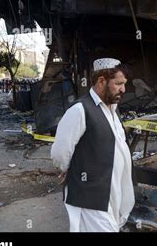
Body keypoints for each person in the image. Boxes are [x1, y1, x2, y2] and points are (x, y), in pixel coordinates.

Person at [51, 58, 134, 232]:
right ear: (101, 81)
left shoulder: (112, 109)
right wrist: (68, 170)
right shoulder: (80, 110)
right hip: (90, 197)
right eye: (118, 83)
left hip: (111, 194)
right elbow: (60, 152)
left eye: (124, 84)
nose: (123, 89)